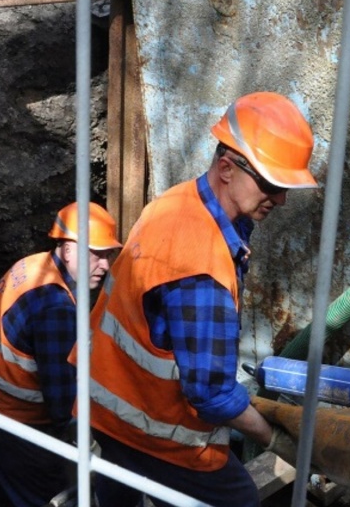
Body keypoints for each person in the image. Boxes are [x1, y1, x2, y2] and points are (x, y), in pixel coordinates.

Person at [73, 91, 317, 506]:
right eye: (272, 184)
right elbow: (210, 393)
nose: (280, 199)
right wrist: (273, 437)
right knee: (237, 498)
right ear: (226, 167)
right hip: (148, 426)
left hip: (104, 404)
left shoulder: (177, 201)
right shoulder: (199, 267)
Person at [0, 201, 122, 507]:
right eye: (97, 254)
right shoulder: (56, 309)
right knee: (42, 493)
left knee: (7, 488)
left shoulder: (34, 264)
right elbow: (64, 408)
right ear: (70, 250)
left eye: (108, 254)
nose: (106, 265)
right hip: (12, 414)